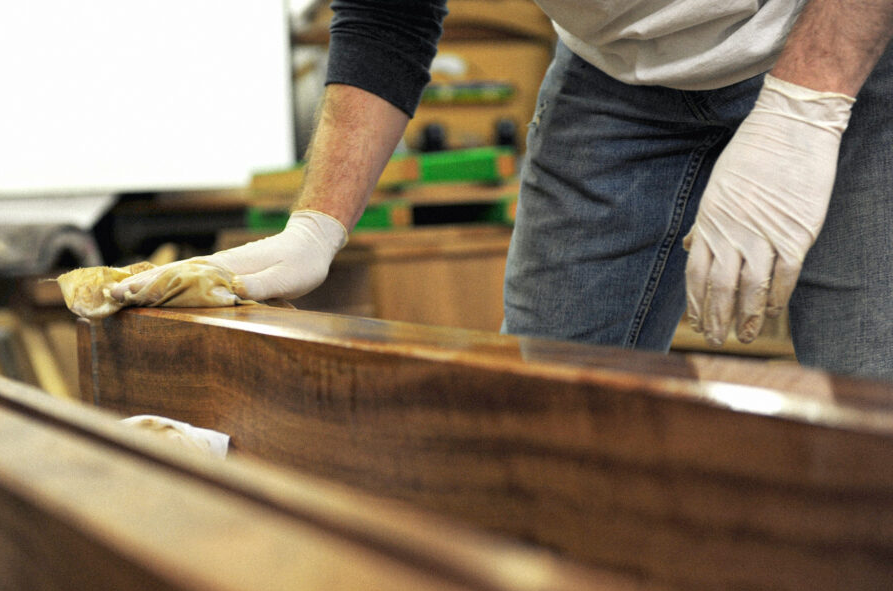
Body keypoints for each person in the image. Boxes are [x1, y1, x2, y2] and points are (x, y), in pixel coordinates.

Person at [115, 0, 893, 380]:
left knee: (871, 407)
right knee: (540, 409)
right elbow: (389, 15)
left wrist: (807, 100)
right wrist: (317, 223)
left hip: (840, 32)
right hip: (614, 69)